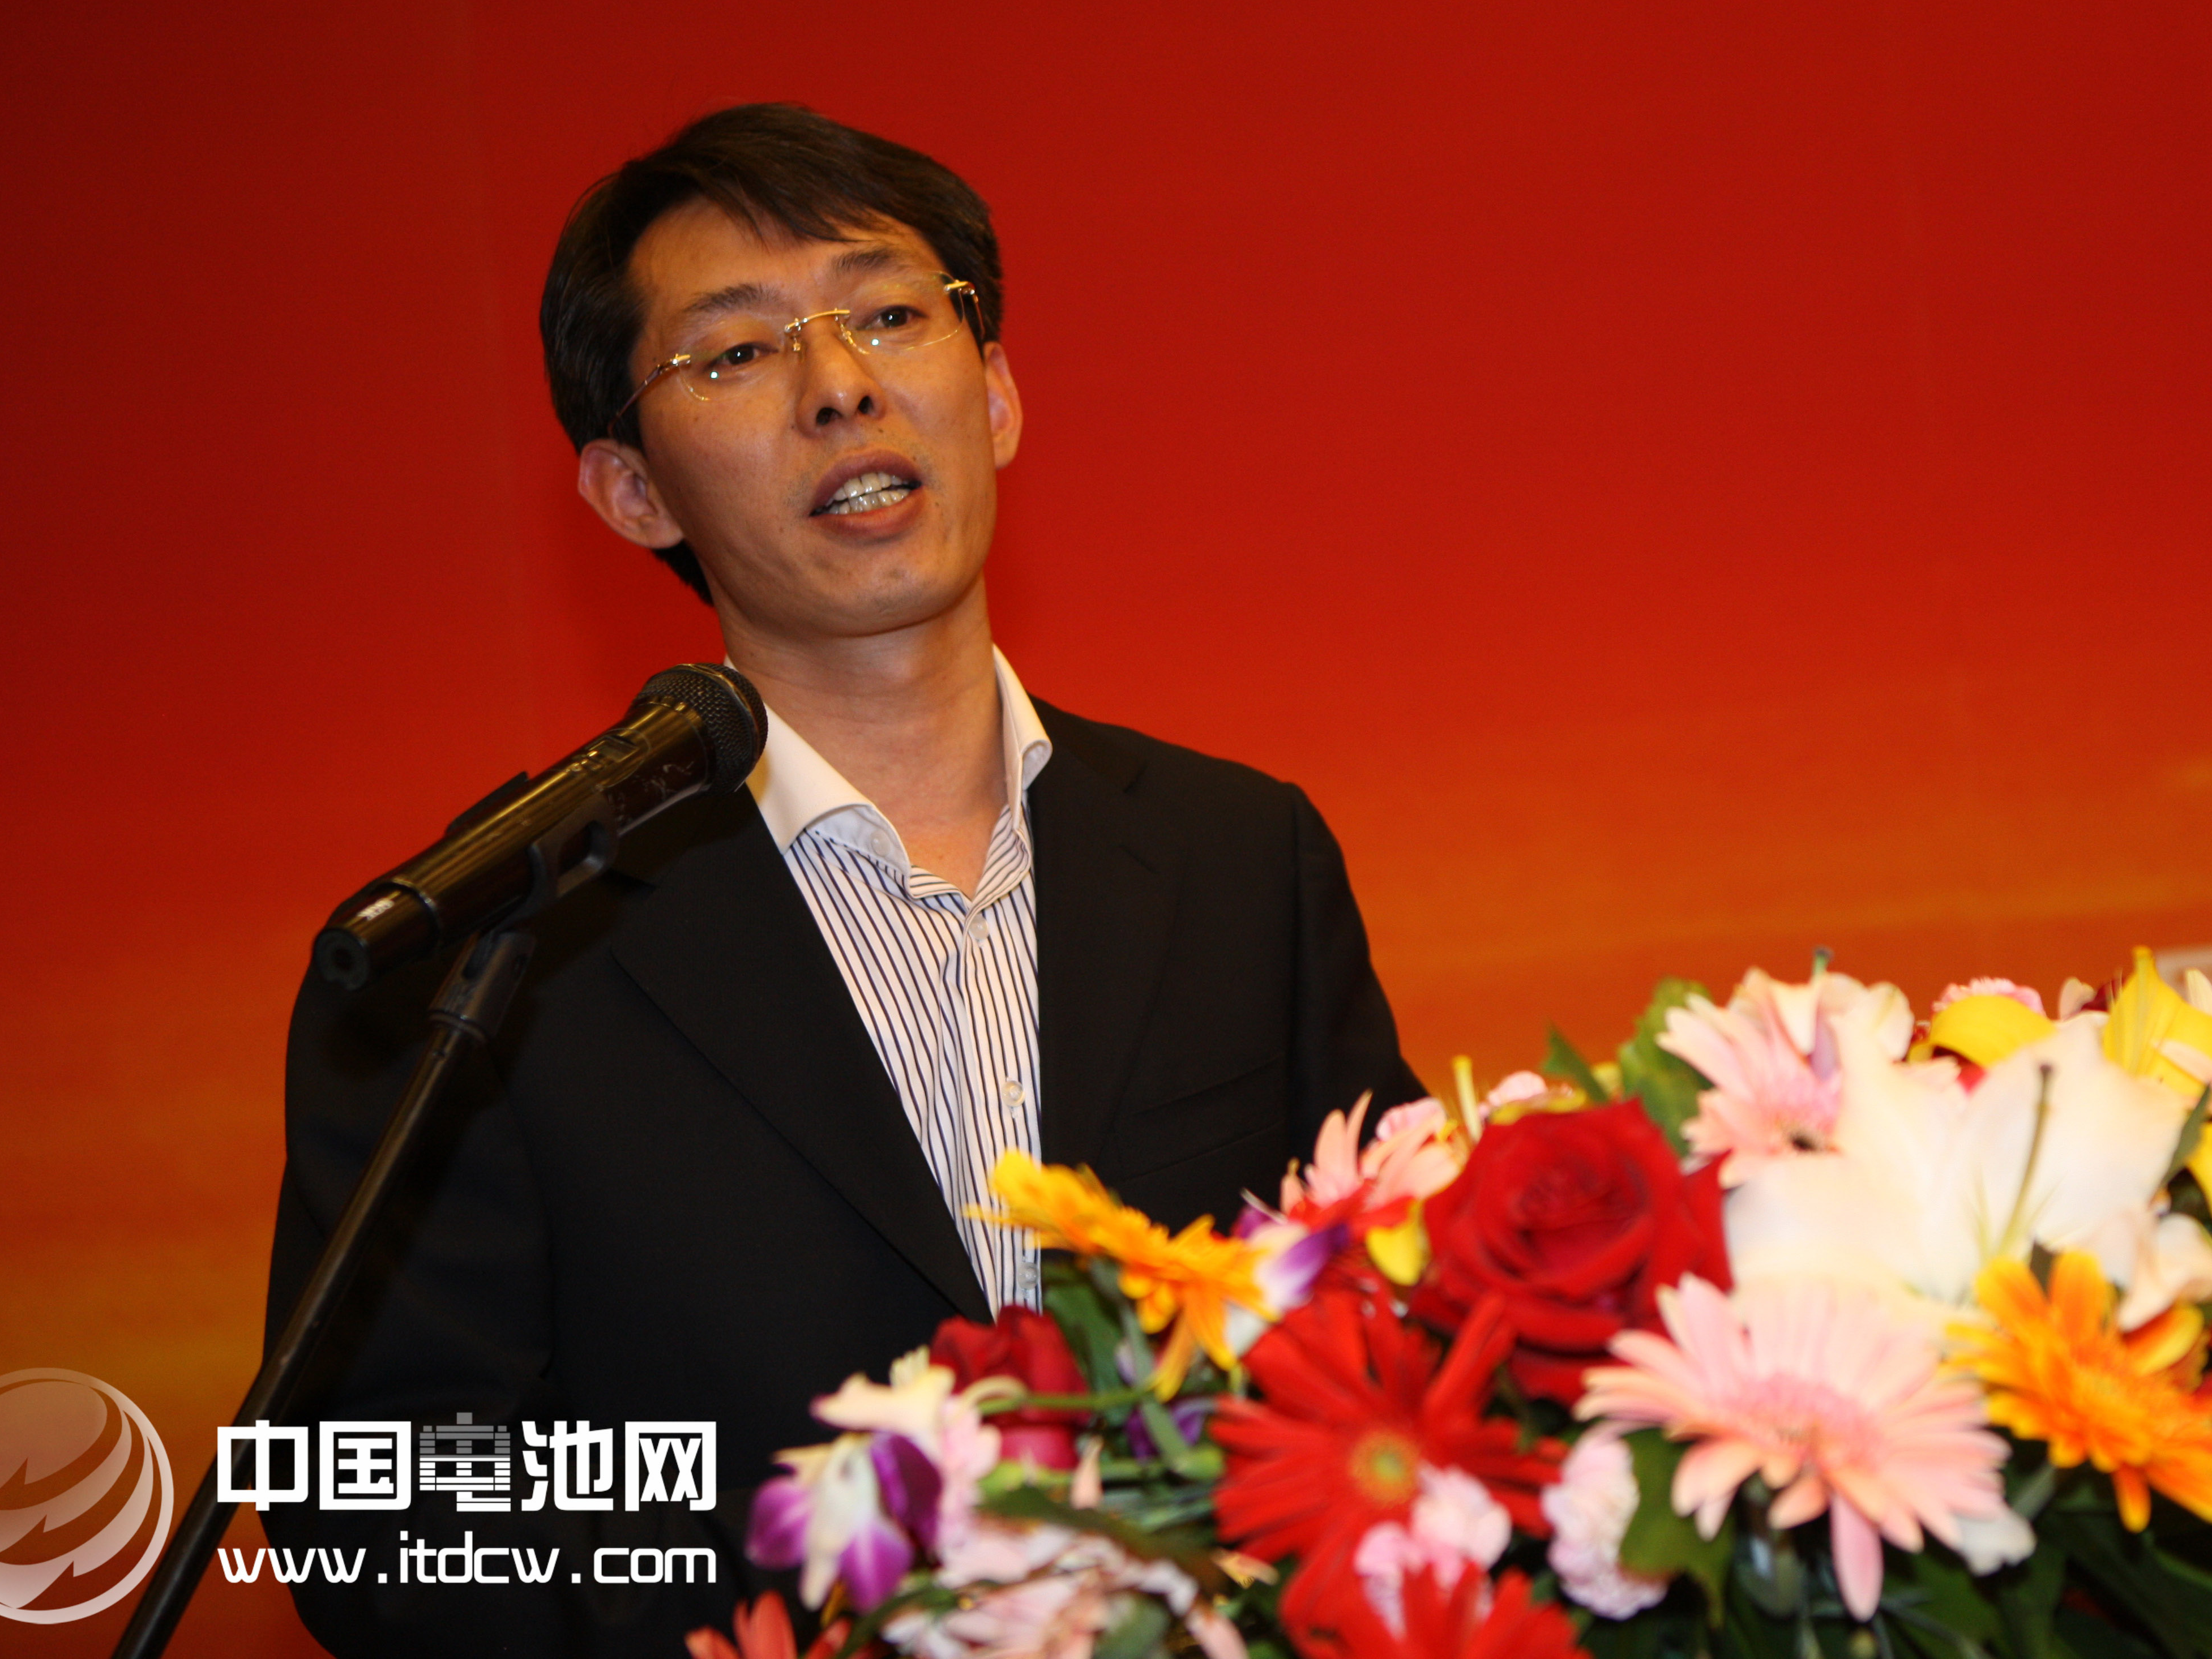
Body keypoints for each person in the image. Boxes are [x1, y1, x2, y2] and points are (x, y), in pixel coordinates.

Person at [266, 104, 1423, 1657]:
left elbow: (1390, 1327)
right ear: (632, 492)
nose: (840, 386)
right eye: (737, 353)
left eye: (889, 316)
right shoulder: (489, 948)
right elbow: (385, 1503)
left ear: (995, 394)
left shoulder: (1238, 862)